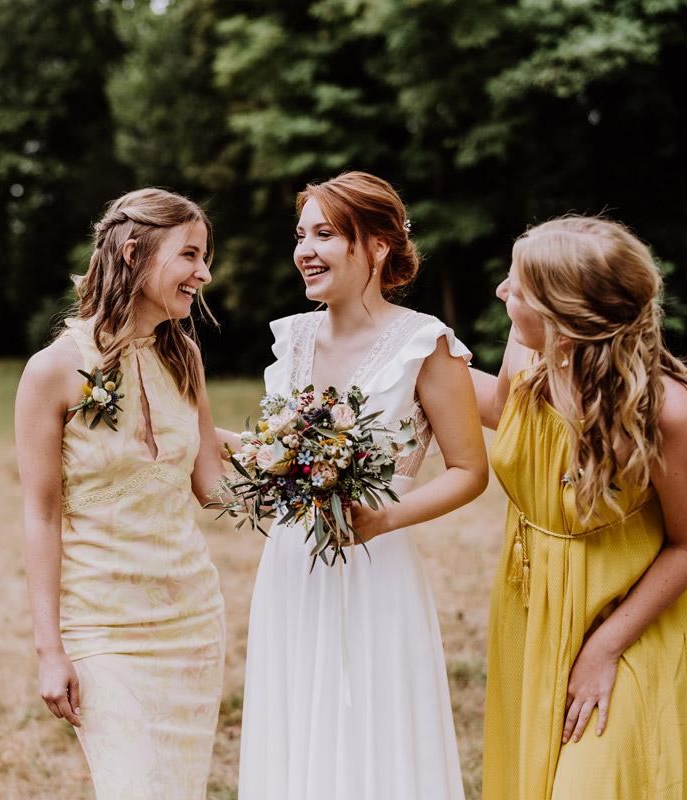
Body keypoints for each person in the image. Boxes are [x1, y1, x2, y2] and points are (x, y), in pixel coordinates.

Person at [236, 171, 489, 800]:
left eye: (326, 233)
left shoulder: (425, 343)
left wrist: (382, 519)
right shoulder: (290, 337)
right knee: (296, 726)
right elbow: (274, 451)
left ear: (377, 245)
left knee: (371, 732)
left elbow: (469, 471)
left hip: (377, 566)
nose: (305, 250)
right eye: (301, 235)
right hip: (292, 566)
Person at [471, 216, 687, 799]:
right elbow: (506, 412)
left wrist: (604, 649)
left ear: (568, 318)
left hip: (625, 620)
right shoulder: (529, 356)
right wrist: (402, 369)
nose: (503, 292)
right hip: (533, 604)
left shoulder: (666, 411)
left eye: (519, 286)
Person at [14, 188, 226, 799]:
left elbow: (211, 484)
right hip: (105, 629)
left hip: (192, 622)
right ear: (134, 253)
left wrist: (307, 468)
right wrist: (48, 649)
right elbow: (40, 514)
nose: (203, 273)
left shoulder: (185, 355)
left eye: (204, 256)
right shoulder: (52, 371)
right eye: (190, 255)